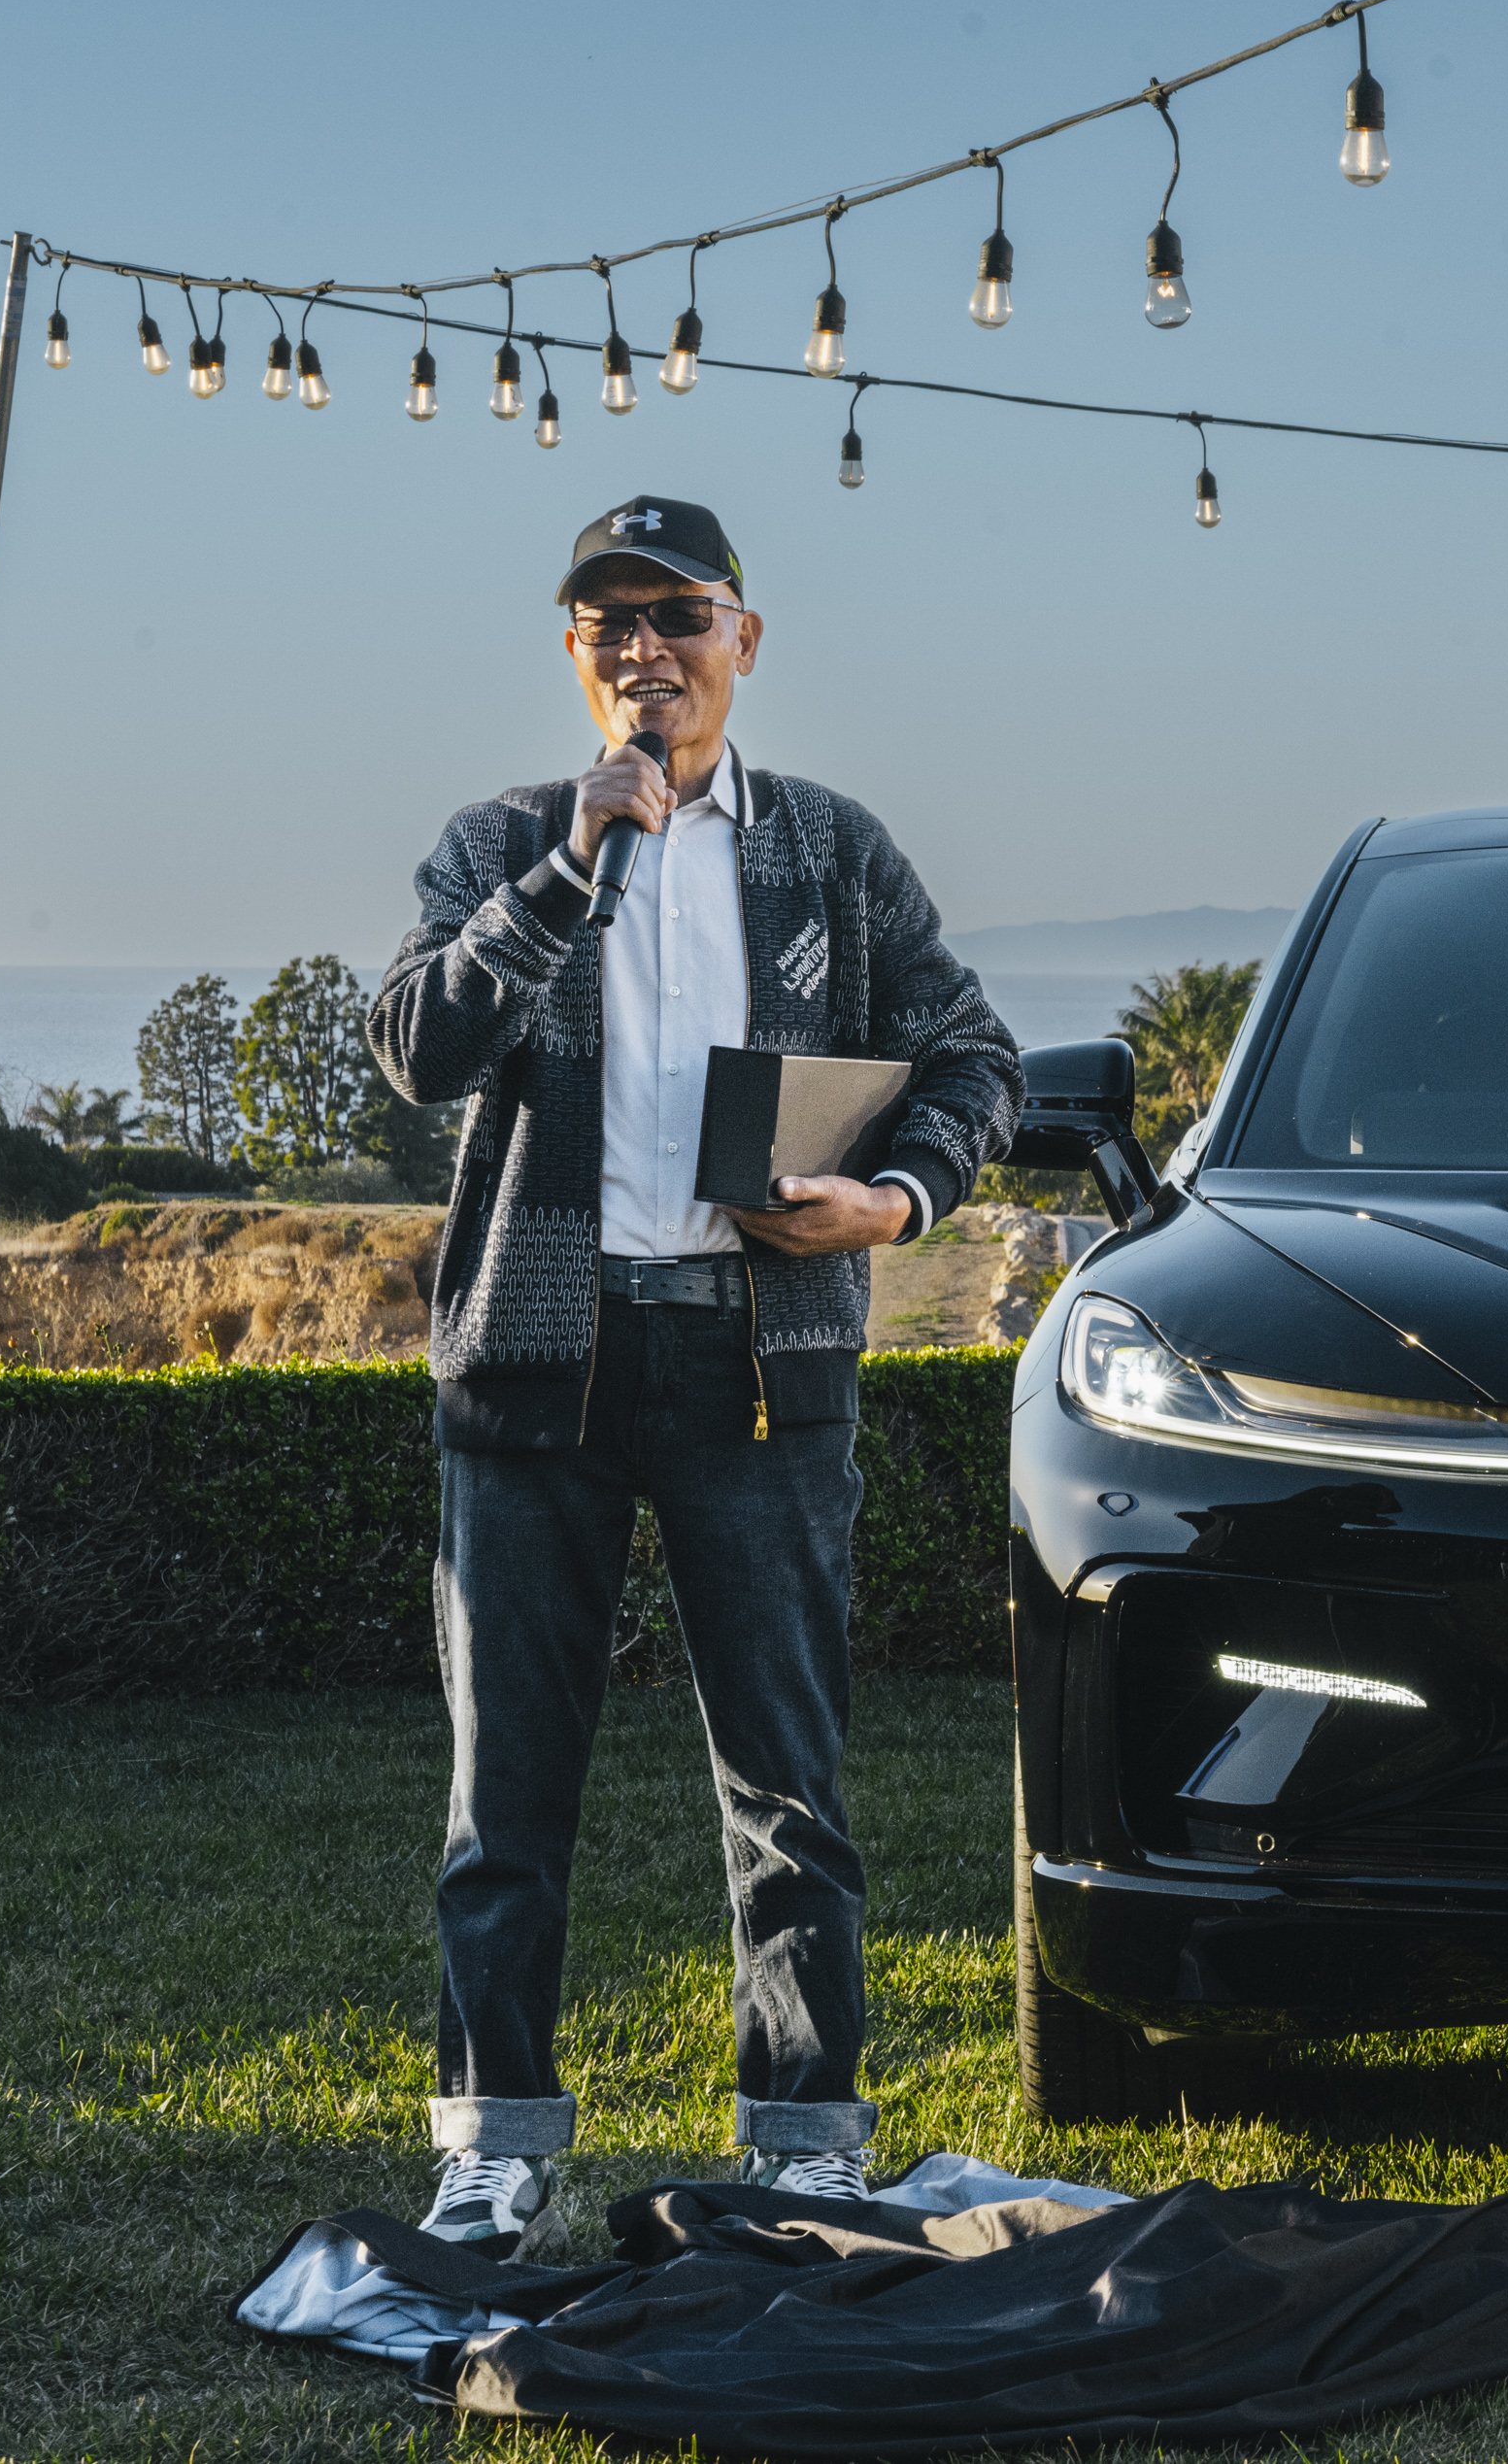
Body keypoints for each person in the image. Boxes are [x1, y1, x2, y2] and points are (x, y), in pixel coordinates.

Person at [369, 494, 1022, 2255]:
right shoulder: (505, 838)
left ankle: (805, 2140)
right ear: (572, 653)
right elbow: (421, 1049)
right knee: (505, 1788)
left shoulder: (829, 850)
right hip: (536, 1371)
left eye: (678, 615)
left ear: (746, 638)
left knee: (790, 1786)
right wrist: (573, 869)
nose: (644, 649)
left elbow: (975, 1057)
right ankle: (495, 2144)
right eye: (607, 622)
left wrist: (889, 1199)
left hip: (760, 1357)